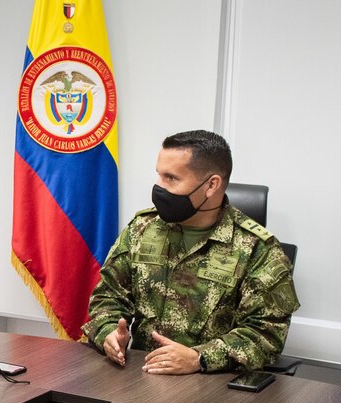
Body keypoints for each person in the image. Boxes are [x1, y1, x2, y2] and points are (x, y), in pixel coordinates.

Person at [82, 130, 299, 374]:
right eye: (159, 175)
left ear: (211, 185)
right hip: (139, 374)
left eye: (171, 178)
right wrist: (109, 333)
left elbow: (265, 334)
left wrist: (200, 357)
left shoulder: (257, 249)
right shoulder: (143, 228)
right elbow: (108, 297)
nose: (159, 187)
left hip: (211, 386)